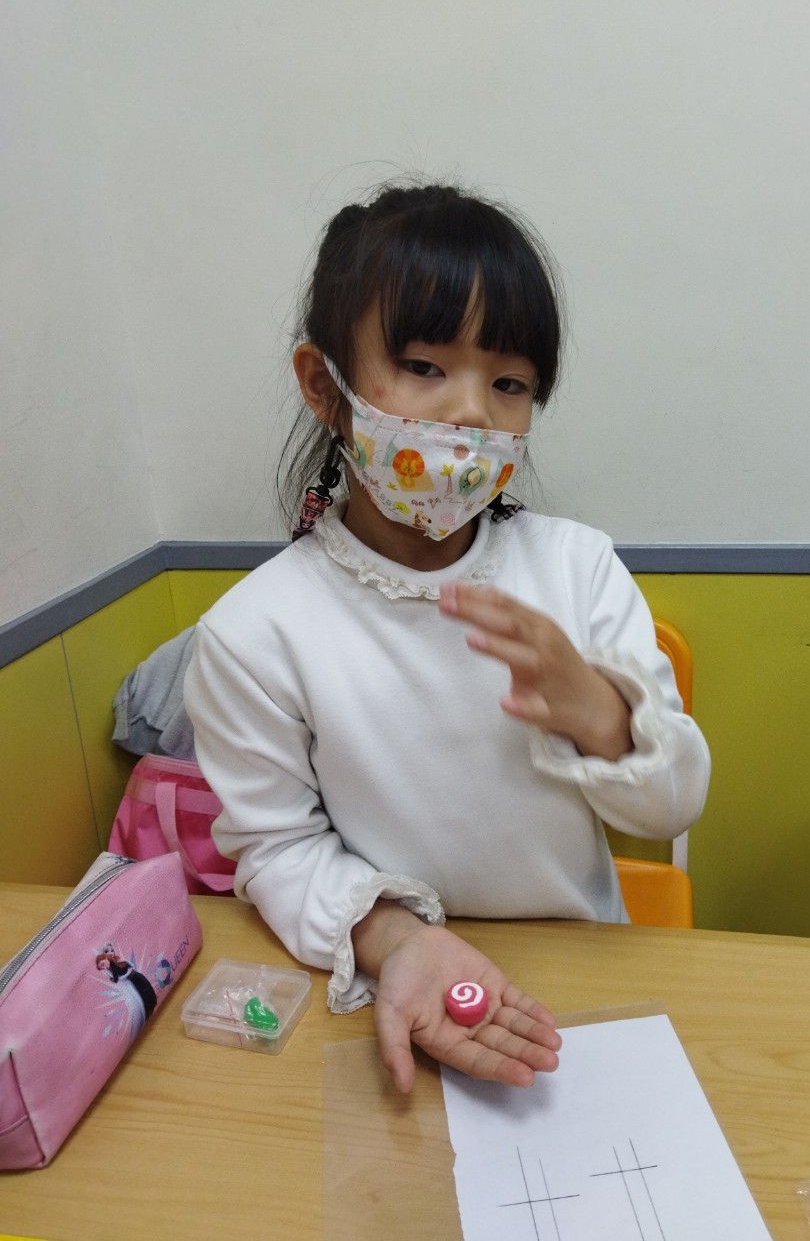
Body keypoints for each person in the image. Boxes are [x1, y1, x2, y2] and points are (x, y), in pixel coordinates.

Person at [183, 181, 710, 1094]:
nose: (472, 412)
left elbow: (672, 808)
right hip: (391, 993)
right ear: (326, 387)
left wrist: (598, 712)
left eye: (509, 383)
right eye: (426, 365)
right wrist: (396, 941)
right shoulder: (253, 632)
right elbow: (275, 851)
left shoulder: (577, 568)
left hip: (580, 989)